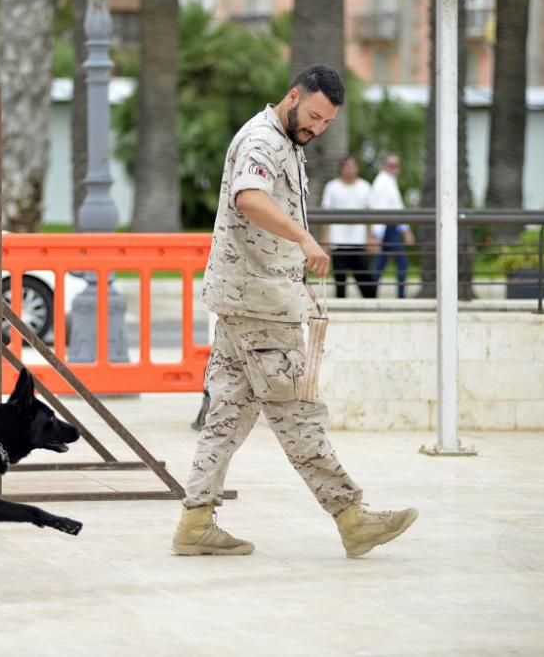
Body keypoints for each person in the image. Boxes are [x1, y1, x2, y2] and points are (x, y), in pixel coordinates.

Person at [171, 65, 418, 558]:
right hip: (260, 306)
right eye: (313, 116)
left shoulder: (287, 144)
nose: (317, 128)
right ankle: (351, 517)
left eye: (326, 123)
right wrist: (305, 237)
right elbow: (250, 198)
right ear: (292, 97)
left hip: (248, 301)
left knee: (226, 415)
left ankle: (196, 520)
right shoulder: (262, 139)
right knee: (298, 411)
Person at [320, 155, 379, 298]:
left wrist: (370, 238)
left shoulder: (365, 187)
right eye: (347, 166)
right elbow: (324, 215)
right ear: (341, 169)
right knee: (340, 282)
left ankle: (372, 309)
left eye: (353, 166)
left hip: (358, 242)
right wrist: (325, 240)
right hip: (338, 242)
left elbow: (370, 215)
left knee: (366, 282)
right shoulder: (332, 187)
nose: (350, 169)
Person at [368, 154, 414, 298]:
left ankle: (372, 294)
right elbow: (380, 210)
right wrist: (377, 235)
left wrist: (405, 229)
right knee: (400, 263)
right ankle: (400, 296)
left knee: (382, 264)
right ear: (384, 166)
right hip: (388, 228)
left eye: (396, 165)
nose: (394, 168)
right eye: (391, 165)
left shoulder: (388, 181)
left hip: (390, 227)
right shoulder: (383, 183)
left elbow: (395, 207)